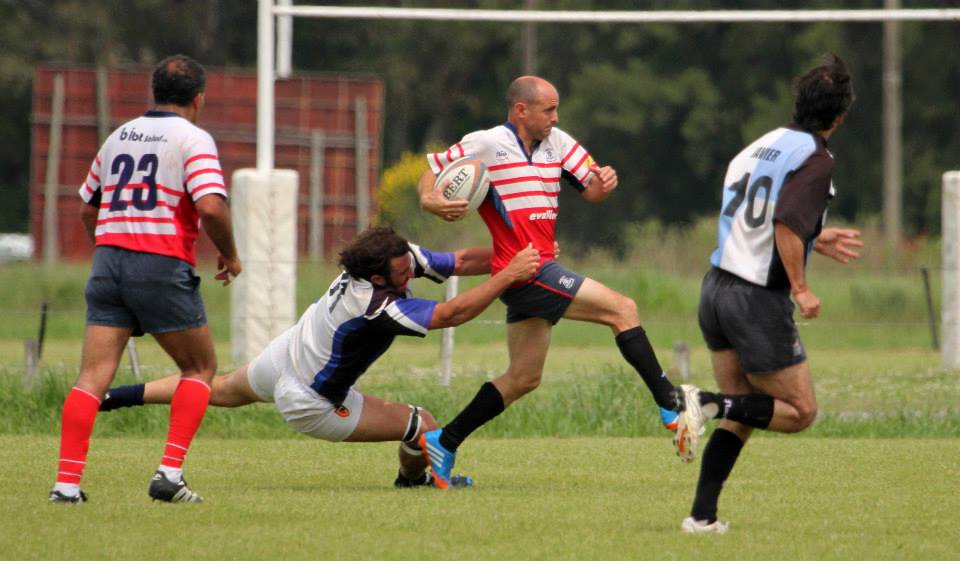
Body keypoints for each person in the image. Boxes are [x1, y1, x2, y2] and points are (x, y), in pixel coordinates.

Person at [416, 75, 697, 489]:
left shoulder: (559, 143)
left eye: (556, 109)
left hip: (538, 266)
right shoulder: (487, 143)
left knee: (523, 378)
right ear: (521, 110)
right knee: (623, 310)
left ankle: (444, 440)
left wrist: (604, 184)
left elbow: (592, 192)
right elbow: (433, 170)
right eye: (548, 109)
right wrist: (430, 199)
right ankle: (671, 404)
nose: (556, 117)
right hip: (526, 272)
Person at [98, 226, 540, 489]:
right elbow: (452, 313)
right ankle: (412, 481)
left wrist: (515, 254)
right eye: (403, 273)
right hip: (310, 400)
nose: (412, 274)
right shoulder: (375, 303)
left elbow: (459, 260)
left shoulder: (385, 259)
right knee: (423, 424)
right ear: (377, 277)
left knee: (217, 388)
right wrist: (509, 275)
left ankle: (115, 396)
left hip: (283, 357)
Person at [676, 55, 862, 533]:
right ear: (840, 116)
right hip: (756, 300)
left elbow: (754, 218)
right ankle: (704, 402)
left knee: (743, 410)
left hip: (717, 289)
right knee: (800, 412)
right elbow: (783, 224)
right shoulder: (817, 159)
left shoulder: (759, 146)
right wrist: (801, 286)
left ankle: (701, 517)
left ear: (799, 103)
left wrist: (815, 236)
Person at [49, 54, 242, 504]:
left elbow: (88, 208)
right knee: (200, 368)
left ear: (154, 93)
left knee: (91, 377)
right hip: (159, 263)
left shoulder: (118, 136)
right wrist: (230, 255)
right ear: (199, 98)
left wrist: (110, 251)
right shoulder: (192, 138)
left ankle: (66, 485)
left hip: (108, 262)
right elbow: (211, 206)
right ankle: (169, 475)